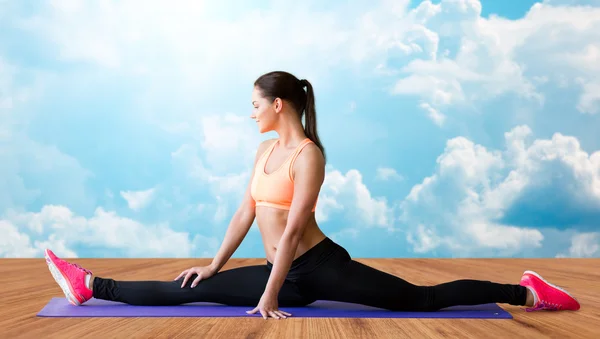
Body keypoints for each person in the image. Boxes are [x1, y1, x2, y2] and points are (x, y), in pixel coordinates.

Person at [44, 71, 580, 320]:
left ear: (279, 104)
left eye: (255, 103)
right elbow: (244, 211)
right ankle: (91, 285)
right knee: (191, 289)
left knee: (419, 299)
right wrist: (213, 265)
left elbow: (295, 228)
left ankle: (525, 291)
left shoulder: (308, 156)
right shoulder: (263, 154)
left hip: (319, 267)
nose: (249, 111)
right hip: (281, 271)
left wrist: (271, 294)